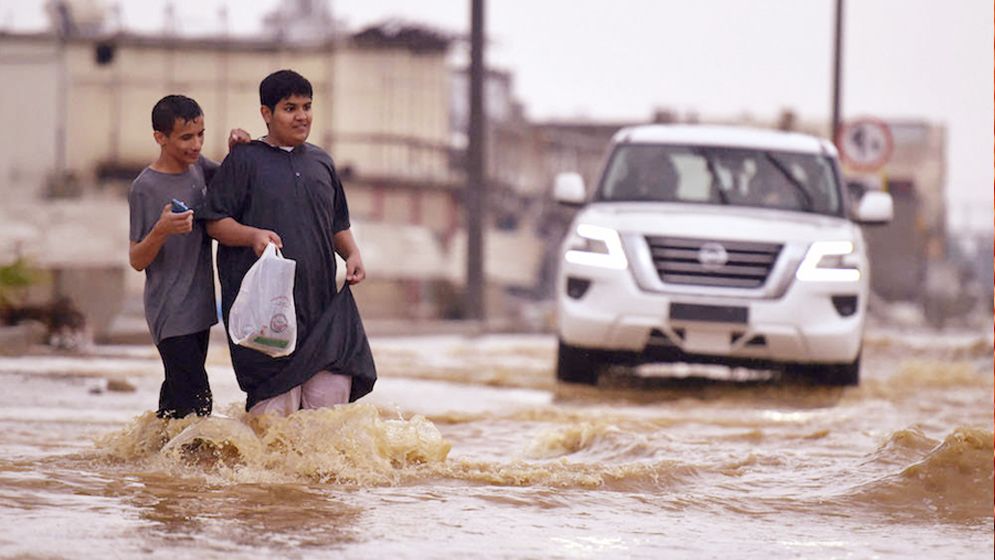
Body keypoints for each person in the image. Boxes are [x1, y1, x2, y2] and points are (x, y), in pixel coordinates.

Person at [203, 69, 377, 416]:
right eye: (290, 108)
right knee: (272, 428)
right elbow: (214, 222)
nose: (302, 116)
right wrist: (252, 235)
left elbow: (336, 224)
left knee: (327, 426)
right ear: (266, 114)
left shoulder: (322, 162)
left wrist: (353, 253)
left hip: (322, 312)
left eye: (307, 106)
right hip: (267, 314)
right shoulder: (244, 160)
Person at [128, 94, 250, 418]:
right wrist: (161, 229)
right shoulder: (145, 187)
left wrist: (238, 151)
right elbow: (137, 259)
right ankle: (191, 465)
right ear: (160, 138)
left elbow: (231, 182)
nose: (195, 145)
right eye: (185, 138)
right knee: (198, 403)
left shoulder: (199, 168)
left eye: (201, 135)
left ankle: (150, 463)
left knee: (176, 403)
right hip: (169, 312)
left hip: (200, 309)